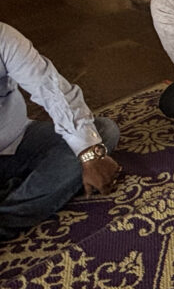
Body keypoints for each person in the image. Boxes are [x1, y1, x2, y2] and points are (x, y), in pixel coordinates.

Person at [1, 23, 120, 240]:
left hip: (15, 140)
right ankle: (28, 197)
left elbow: (51, 90)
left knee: (102, 132)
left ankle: (9, 215)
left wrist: (89, 154)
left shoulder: (3, 37)